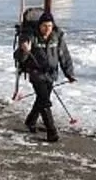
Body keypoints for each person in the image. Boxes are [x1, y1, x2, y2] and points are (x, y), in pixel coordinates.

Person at [13, 11, 76, 142]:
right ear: (39, 26)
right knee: (44, 101)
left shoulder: (57, 37)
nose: (47, 29)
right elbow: (18, 57)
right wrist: (25, 51)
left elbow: (64, 56)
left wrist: (69, 74)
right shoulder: (31, 37)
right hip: (36, 73)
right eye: (44, 26)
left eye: (49, 26)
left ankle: (30, 121)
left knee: (42, 99)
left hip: (51, 73)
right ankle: (51, 131)